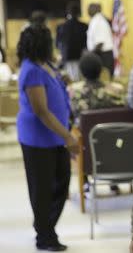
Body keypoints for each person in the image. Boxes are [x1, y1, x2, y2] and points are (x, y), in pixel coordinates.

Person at [16, 24, 78, 251]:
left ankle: (44, 226)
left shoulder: (46, 64)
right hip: (38, 139)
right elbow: (41, 111)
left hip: (54, 137)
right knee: (42, 189)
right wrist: (68, 136)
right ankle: (44, 235)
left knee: (61, 183)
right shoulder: (31, 70)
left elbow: (55, 87)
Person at [67, 53, 125, 127]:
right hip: (113, 133)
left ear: (82, 72)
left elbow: (69, 119)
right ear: (101, 70)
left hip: (84, 135)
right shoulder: (117, 91)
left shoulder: (74, 93)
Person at [55, 2, 88, 81]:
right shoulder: (84, 26)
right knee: (81, 80)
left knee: (70, 81)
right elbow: (87, 44)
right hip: (82, 57)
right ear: (78, 13)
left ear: (68, 13)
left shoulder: (61, 27)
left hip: (67, 58)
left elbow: (57, 44)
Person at [86, 3, 115, 77]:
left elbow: (100, 43)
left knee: (105, 81)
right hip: (102, 54)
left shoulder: (98, 22)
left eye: (90, 8)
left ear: (96, 10)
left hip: (103, 56)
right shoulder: (97, 20)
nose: (88, 10)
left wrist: (90, 56)